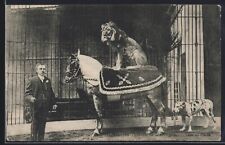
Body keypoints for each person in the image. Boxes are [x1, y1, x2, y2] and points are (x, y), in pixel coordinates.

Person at [24, 63, 57, 141]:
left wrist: (54, 103)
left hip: (45, 107)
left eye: (44, 69)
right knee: (35, 125)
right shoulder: (32, 80)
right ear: (37, 71)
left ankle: (41, 140)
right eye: (40, 69)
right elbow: (26, 94)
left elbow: (51, 93)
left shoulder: (47, 80)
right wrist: (31, 98)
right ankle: (33, 140)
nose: (42, 70)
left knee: (42, 124)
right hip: (36, 107)